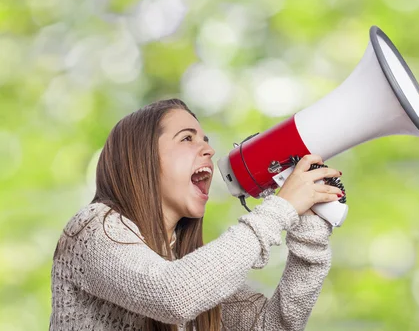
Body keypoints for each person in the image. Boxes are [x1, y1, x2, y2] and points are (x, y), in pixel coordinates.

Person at [49, 98, 344, 331]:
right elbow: (173, 294)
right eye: (187, 138)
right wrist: (283, 208)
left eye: (205, 139)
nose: (209, 149)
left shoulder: (187, 262)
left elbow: (272, 327)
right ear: (141, 159)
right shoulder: (91, 228)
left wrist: (310, 232)